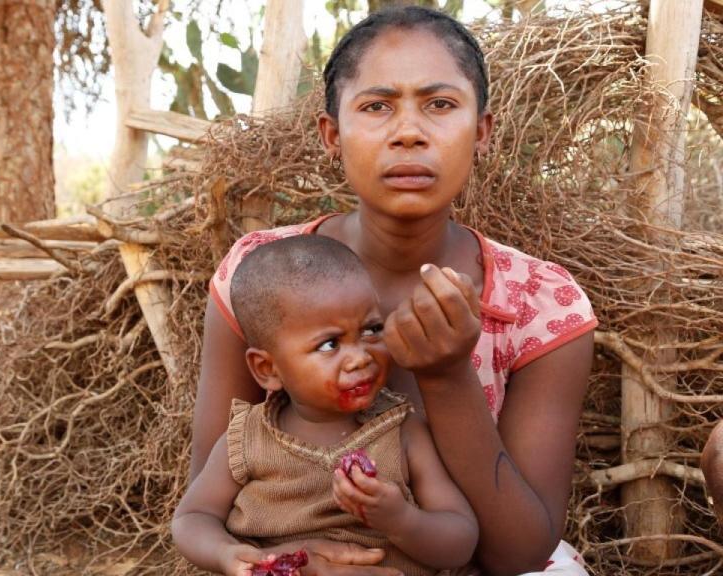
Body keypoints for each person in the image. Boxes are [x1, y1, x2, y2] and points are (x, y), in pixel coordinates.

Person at [192, 6, 597, 575]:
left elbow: (520, 553)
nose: (409, 132)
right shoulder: (260, 276)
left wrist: (447, 375)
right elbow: (209, 501)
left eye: (440, 104)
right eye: (377, 106)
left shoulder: (540, 306)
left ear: (481, 131)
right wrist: (292, 563)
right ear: (332, 135)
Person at [173, 235, 478, 576]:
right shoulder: (246, 440)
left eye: (371, 329)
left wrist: (401, 520)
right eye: (329, 344)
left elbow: (461, 539)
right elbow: (192, 518)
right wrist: (228, 554)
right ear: (268, 369)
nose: (360, 358)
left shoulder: (402, 430)